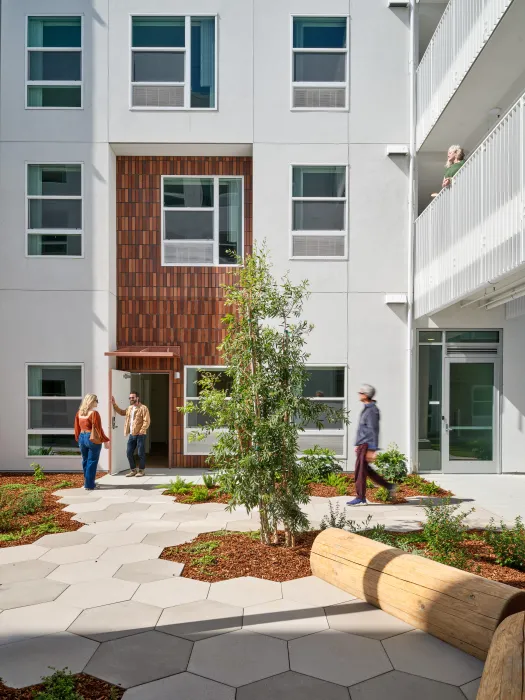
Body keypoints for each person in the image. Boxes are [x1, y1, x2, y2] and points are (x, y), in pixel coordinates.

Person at [347, 384, 396, 506]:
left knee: (360, 471)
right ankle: (389, 486)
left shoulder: (372, 410)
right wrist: (358, 444)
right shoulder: (367, 408)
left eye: (361, 392)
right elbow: (363, 429)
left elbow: (374, 430)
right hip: (362, 445)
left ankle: (361, 498)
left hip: (366, 446)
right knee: (366, 470)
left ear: (366, 395)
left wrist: (372, 449)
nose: (359, 394)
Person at [74, 394, 110, 491]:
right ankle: (89, 485)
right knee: (92, 461)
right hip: (92, 438)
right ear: (91, 401)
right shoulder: (94, 413)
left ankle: (87, 482)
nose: (97, 402)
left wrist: (78, 439)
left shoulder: (79, 413)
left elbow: (76, 428)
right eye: (96, 400)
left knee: (85, 460)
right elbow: (99, 429)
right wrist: (106, 440)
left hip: (82, 437)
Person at [111, 391, 151, 477]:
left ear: (137, 398)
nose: (131, 399)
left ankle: (141, 470)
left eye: (133, 397)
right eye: (130, 398)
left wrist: (142, 430)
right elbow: (122, 412)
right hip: (132, 434)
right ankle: (133, 470)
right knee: (129, 452)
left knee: (140, 453)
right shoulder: (129, 408)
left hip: (141, 434)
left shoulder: (143, 408)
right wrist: (114, 404)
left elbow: (146, 421)